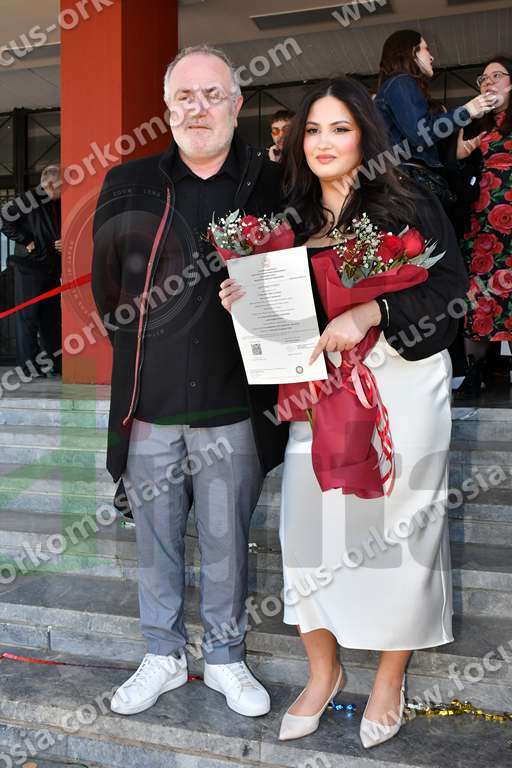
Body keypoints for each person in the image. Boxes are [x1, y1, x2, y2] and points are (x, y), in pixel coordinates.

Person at [220, 77, 468, 749]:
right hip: (322, 394)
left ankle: (389, 678)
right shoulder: (288, 217)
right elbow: (282, 319)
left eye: (340, 128)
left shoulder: (408, 199)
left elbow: (452, 290)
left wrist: (374, 310)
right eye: (312, 130)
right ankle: (322, 672)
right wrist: (248, 302)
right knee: (307, 532)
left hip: (403, 385)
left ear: (365, 134)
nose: (323, 142)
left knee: (403, 531)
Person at [91, 44, 288, 719]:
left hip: (235, 401)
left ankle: (227, 658)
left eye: (212, 94)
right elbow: (108, 288)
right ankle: (163, 655)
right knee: (155, 539)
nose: (197, 108)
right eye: (184, 96)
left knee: (229, 538)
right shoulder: (130, 182)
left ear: (237, 103)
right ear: (167, 108)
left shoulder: (272, 184)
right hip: (151, 402)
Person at [375, 30, 496, 209]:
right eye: (426, 49)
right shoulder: (401, 82)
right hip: (409, 185)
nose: (431, 57)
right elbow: (421, 134)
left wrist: (455, 154)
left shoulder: (394, 87)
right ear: (412, 52)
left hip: (402, 184)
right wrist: (467, 110)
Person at [458, 56, 512, 395]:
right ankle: (474, 372)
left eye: (496, 76)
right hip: (482, 228)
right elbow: (455, 165)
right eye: (483, 78)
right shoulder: (474, 124)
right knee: (479, 297)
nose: (488, 82)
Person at [0, 165, 62, 377]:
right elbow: (5, 218)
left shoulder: (56, 203)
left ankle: (56, 363)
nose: (65, 189)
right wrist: (26, 240)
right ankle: (28, 367)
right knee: (28, 317)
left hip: (50, 266)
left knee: (51, 317)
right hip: (29, 268)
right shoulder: (29, 198)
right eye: (62, 185)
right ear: (51, 184)